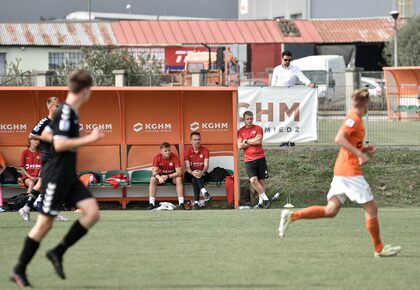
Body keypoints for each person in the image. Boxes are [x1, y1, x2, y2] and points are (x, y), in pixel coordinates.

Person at [278, 88, 401, 258]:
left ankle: (292, 215)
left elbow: (350, 142)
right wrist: (359, 154)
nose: (369, 106)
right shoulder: (353, 119)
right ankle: (379, 248)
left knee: (331, 210)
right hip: (349, 172)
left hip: (341, 171)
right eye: (369, 103)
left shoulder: (356, 118)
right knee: (372, 208)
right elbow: (339, 138)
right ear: (365, 103)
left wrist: (363, 149)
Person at [10, 70, 105, 288]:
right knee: (43, 226)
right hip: (56, 175)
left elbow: (50, 136)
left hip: (68, 175)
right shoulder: (67, 113)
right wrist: (89, 138)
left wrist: (48, 137)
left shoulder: (66, 113)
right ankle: (19, 268)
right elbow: (60, 144)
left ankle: (57, 252)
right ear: (86, 90)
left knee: (92, 213)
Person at [18, 96, 61, 222]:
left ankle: (27, 208)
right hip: (48, 156)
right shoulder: (44, 121)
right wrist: (47, 138)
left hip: (56, 156)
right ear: (50, 107)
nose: (59, 108)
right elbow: (31, 135)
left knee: (44, 183)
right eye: (57, 106)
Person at [271, 50, 316, 147]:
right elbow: (273, 84)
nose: (287, 62)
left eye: (289, 60)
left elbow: (302, 77)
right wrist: (272, 95)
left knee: (291, 120)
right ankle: (283, 139)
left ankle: (290, 140)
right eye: (285, 60)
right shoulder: (276, 69)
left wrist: (309, 83)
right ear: (282, 58)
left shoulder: (295, 69)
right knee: (281, 120)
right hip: (279, 98)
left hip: (290, 98)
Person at [237, 111, 270, 209]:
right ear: (244, 119)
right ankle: (266, 199)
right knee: (253, 180)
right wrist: (252, 141)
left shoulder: (258, 128)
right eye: (247, 119)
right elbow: (239, 146)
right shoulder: (240, 131)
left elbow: (258, 141)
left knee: (262, 181)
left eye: (251, 118)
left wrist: (246, 141)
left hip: (260, 158)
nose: (249, 120)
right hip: (249, 160)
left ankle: (260, 203)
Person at [148, 142, 185, 210]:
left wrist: (168, 176)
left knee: (179, 179)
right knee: (152, 179)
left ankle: (181, 203)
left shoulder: (174, 157)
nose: (168, 152)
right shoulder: (157, 157)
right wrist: (159, 178)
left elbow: (179, 172)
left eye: (169, 150)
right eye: (166, 151)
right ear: (161, 151)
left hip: (172, 176)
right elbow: (154, 171)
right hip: (161, 177)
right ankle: (151, 204)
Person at [184, 132, 211, 210]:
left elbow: (206, 166)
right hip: (190, 173)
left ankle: (196, 202)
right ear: (191, 141)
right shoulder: (187, 151)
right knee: (193, 177)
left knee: (194, 180)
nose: (197, 141)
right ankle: (204, 191)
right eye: (195, 140)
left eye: (198, 139)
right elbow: (188, 167)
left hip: (201, 173)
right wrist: (193, 173)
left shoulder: (205, 150)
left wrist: (202, 172)